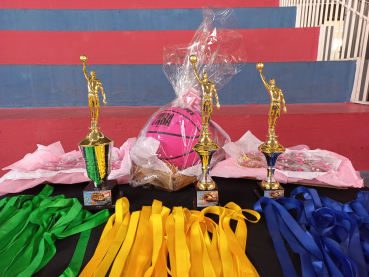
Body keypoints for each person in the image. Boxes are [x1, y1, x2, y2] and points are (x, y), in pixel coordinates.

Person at [257, 63, 287, 136]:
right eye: (271, 81)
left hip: (278, 104)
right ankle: (270, 128)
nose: (272, 81)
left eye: (273, 80)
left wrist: (284, 106)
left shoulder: (279, 89)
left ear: (275, 82)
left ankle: (273, 127)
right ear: (270, 83)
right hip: (273, 103)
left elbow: (282, 98)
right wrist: (261, 72)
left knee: (276, 116)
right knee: (270, 116)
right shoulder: (269, 88)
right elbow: (264, 81)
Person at [190, 55, 220, 127]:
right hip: (204, 98)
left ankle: (207, 125)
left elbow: (215, 93)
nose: (204, 75)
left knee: (209, 112)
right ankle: (203, 124)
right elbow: (197, 75)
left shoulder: (211, 84)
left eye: (205, 74)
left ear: (207, 76)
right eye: (203, 74)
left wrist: (218, 103)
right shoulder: (202, 83)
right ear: (203, 76)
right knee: (203, 112)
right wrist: (194, 65)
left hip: (210, 99)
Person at [81, 56, 107, 128]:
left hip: (95, 95)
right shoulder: (88, 80)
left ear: (94, 74)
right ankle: (92, 120)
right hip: (90, 95)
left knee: (97, 108)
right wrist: (84, 63)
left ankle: (96, 120)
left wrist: (104, 98)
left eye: (92, 73)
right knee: (91, 108)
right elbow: (84, 72)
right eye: (91, 73)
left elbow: (102, 90)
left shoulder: (98, 81)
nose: (91, 74)